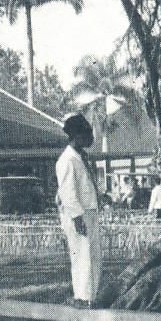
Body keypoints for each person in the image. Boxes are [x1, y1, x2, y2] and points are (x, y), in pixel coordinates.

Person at [57, 113, 103, 308]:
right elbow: (68, 192)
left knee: (93, 255)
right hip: (78, 215)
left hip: (89, 212)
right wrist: (77, 218)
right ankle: (82, 297)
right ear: (75, 136)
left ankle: (91, 296)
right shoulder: (67, 160)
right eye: (86, 135)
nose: (89, 139)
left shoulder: (81, 158)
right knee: (82, 255)